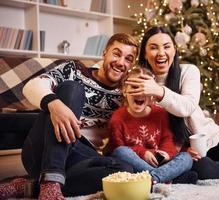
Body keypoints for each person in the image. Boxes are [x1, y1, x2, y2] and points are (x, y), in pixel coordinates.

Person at [0, 33, 138, 200]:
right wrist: (55, 105)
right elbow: (32, 86)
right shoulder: (74, 69)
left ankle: (31, 186)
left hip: (80, 158)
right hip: (43, 148)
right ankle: (51, 179)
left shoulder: (125, 93)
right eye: (116, 53)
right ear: (104, 53)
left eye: (128, 59)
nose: (121, 62)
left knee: (124, 171)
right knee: (73, 89)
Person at [124, 26, 219, 180]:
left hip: (207, 136)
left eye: (167, 47)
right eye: (153, 48)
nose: (161, 53)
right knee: (203, 171)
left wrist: (158, 91)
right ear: (145, 54)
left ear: (174, 50)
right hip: (179, 151)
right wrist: (181, 151)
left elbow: (187, 107)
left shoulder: (188, 71)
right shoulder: (139, 81)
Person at [108, 66, 198, 184]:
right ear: (125, 90)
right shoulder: (117, 118)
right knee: (120, 152)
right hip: (137, 163)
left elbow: (168, 140)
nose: (140, 93)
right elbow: (116, 149)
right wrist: (143, 153)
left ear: (152, 94)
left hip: (159, 161)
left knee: (186, 158)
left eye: (144, 89)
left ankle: (153, 178)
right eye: (135, 87)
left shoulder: (160, 113)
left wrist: (165, 153)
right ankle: (164, 177)